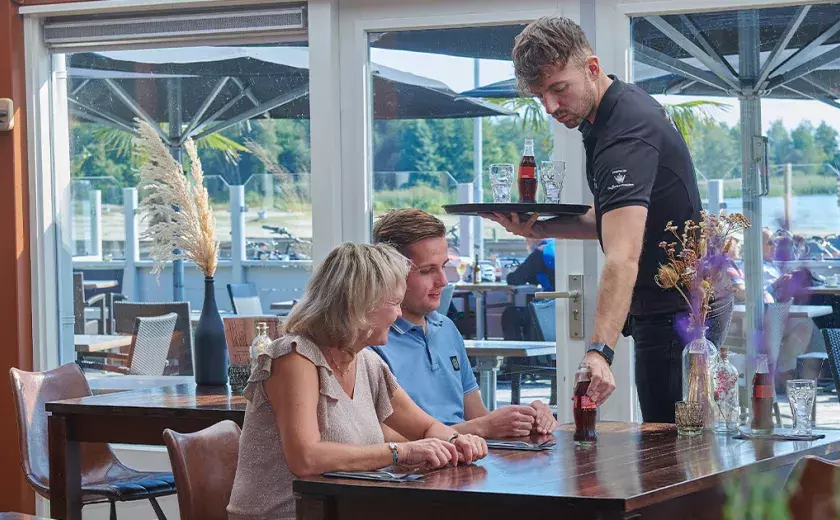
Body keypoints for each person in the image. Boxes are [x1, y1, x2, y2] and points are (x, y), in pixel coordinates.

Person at [483, 16, 711, 423]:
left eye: (559, 89)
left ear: (592, 68)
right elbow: (612, 220)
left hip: (677, 307)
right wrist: (537, 228)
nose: (550, 107)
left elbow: (623, 254)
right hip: (670, 300)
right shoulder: (610, 113)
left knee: (672, 446)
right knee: (676, 442)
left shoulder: (625, 133)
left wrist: (599, 351)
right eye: (540, 96)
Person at [228, 243, 488, 520]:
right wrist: (400, 452)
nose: (399, 314)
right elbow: (306, 458)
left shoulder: (367, 362)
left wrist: (457, 441)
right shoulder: (294, 358)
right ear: (360, 305)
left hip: (345, 510)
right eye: (394, 303)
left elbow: (425, 427)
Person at [372, 209, 557, 438]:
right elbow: (383, 441)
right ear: (390, 274)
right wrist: (481, 428)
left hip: (465, 454)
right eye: (427, 270)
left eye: (444, 266)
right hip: (419, 459)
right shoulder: (373, 342)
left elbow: (479, 417)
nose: (443, 281)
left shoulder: (447, 329)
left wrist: (524, 419)